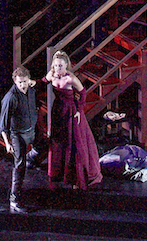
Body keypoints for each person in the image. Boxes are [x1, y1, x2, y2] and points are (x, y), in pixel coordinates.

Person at [46, 50, 102, 190]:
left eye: (60, 66)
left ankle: (76, 178)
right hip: (58, 111)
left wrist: (79, 110)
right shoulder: (52, 75)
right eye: (56, 65)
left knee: (74, 142)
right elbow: (42, 82)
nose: (58, 68)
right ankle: (58, 174)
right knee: (58, 141)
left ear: (66, 65)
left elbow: (83, 93)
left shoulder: (71, 78)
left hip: (70, 111)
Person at [0, 66, 39, 213]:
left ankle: (30, 158)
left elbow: (36, 83)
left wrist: (32, 82)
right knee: (19, 166)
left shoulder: (31, 90)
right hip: (18, 135)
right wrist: (7, 143)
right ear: (15, 82)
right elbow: (3, 124)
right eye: (20, 82)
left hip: (32, 130)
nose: (23, 85)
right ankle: (14, 200)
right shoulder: (11, 97)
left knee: (44, 145)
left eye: (25, 81)